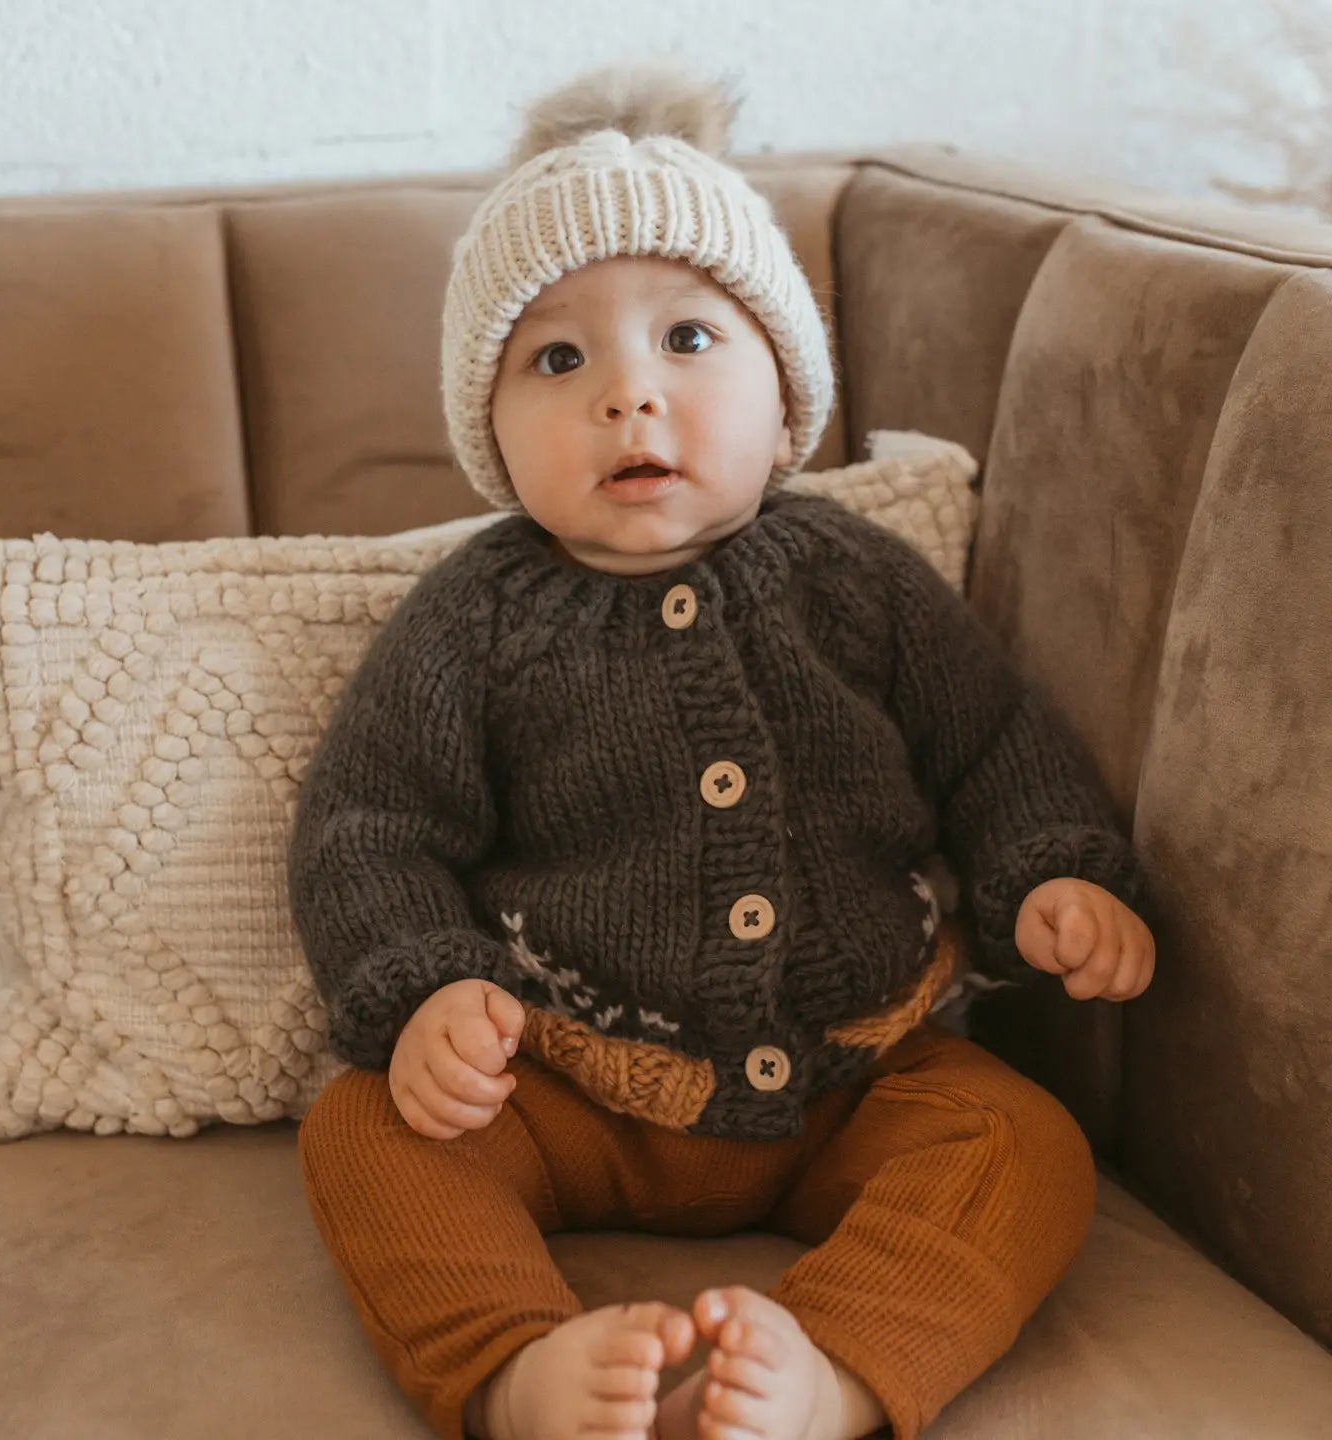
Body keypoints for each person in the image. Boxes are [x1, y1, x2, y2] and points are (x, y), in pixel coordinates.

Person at [288, 62, 1155, 1440]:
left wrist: (1054, 871)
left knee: (1022, 1145)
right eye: (558, 360)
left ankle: (833, 1373)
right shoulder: (475, 619)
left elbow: (993, 743)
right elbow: (370, 826)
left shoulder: (856, 580)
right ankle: (513, 1372)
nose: (629, 397)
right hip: (565, 1081)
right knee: (369, 1128)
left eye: (688, 339)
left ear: (787, 389)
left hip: (859, 1074)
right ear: (490, 432)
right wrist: (427, 993)